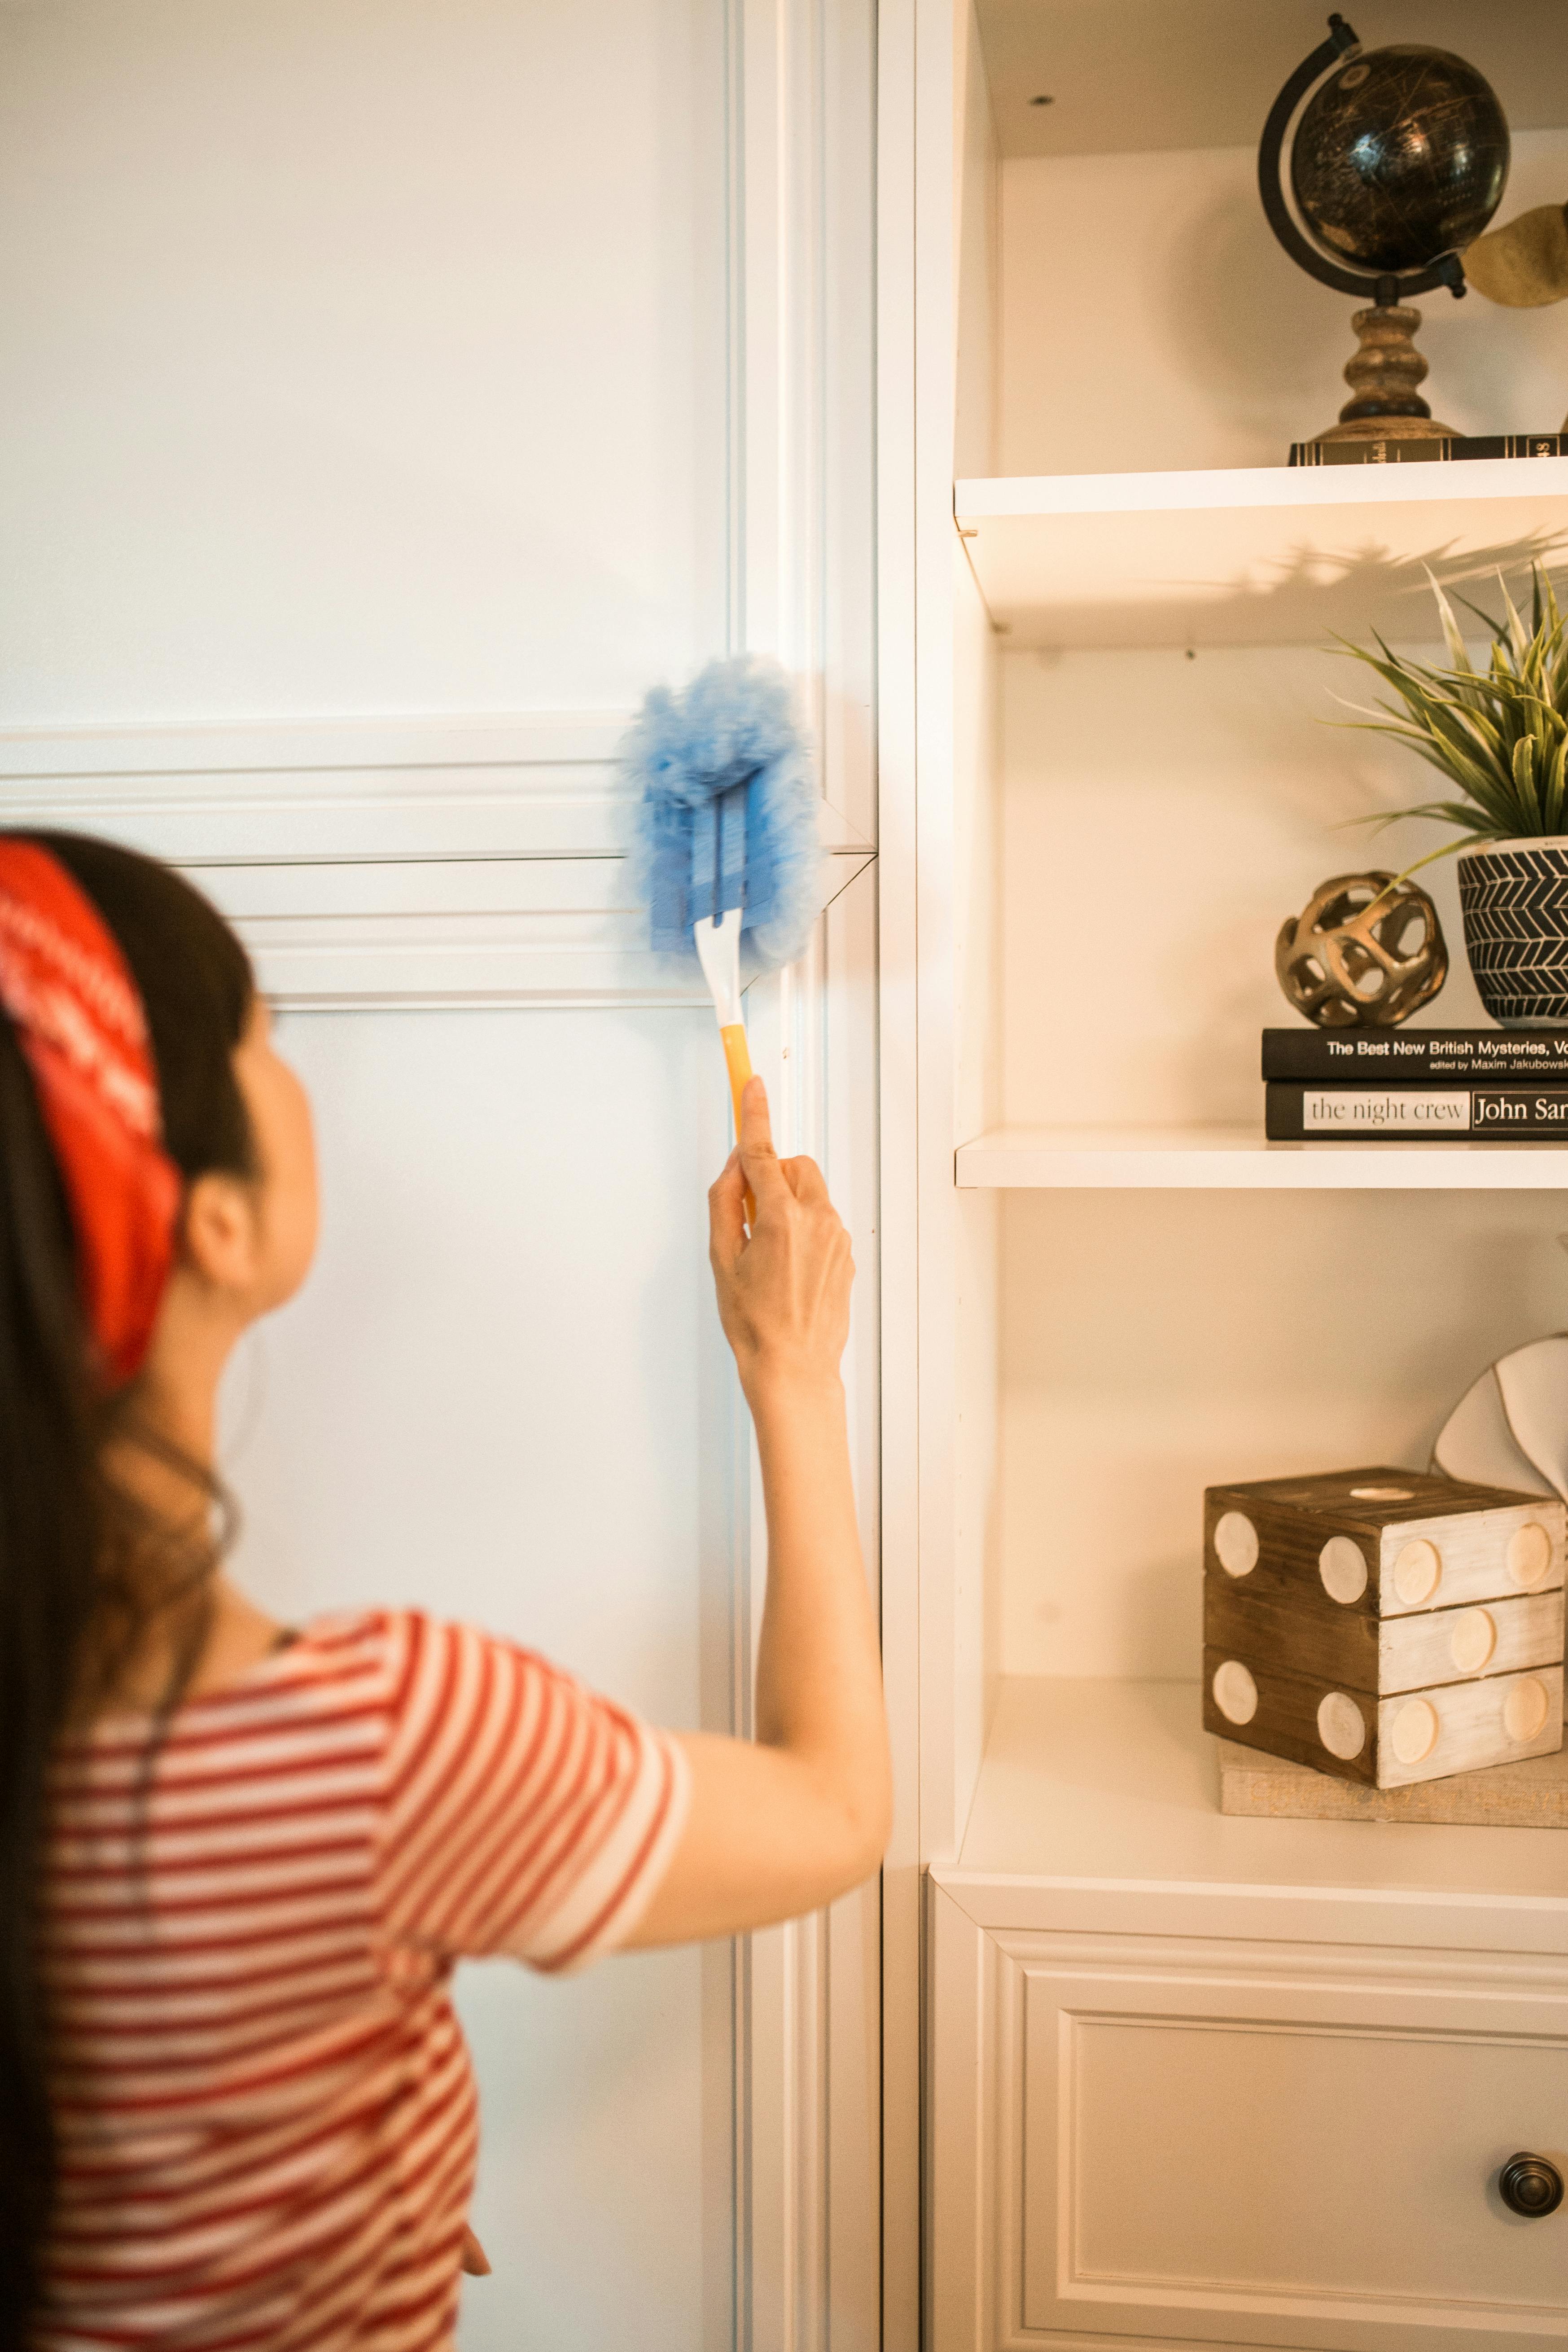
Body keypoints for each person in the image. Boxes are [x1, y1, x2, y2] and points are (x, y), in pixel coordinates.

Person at [0, 831, 890, 2352]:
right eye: (267, 1037)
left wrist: (341, 2168)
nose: (299, 1074)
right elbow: (832, 1810)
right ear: (207, 1215)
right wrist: (795, 1377)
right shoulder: (369, 1749)